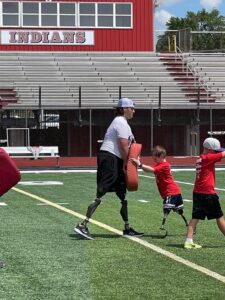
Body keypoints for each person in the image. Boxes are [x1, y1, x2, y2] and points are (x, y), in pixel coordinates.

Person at [74, 98, 144, 240]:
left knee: (122, 194)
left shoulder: (124, 124)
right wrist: (127, 165)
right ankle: (82, 224)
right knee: (100, 193)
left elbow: (132, 146)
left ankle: (127, 227)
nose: (134, 110)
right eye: (132, 108)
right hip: (110, 158)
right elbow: (124, 146)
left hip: (115, 159)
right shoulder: (120, 122)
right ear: (124, 109)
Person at [131, 145, 188, 232]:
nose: (154, 161)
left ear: (161, 156)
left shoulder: (164, 165)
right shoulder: (160, 164)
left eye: (155, 159)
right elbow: (147, 170)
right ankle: (188, 224)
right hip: (171, 192)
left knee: (168, 209)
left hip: (171, 192)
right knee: (178, 210)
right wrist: (139, 162)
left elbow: (151, 170)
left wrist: (140, 164)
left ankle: (163, 225)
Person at [184, 137, 225, 249]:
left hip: (197, 192)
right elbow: (223, 154)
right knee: (219, 216)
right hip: (208, 193)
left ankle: (188, 241)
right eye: (215, 151)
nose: (217, 153)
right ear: (210, 150)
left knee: (195, 217)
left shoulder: (201, 158)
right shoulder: (208, 157)